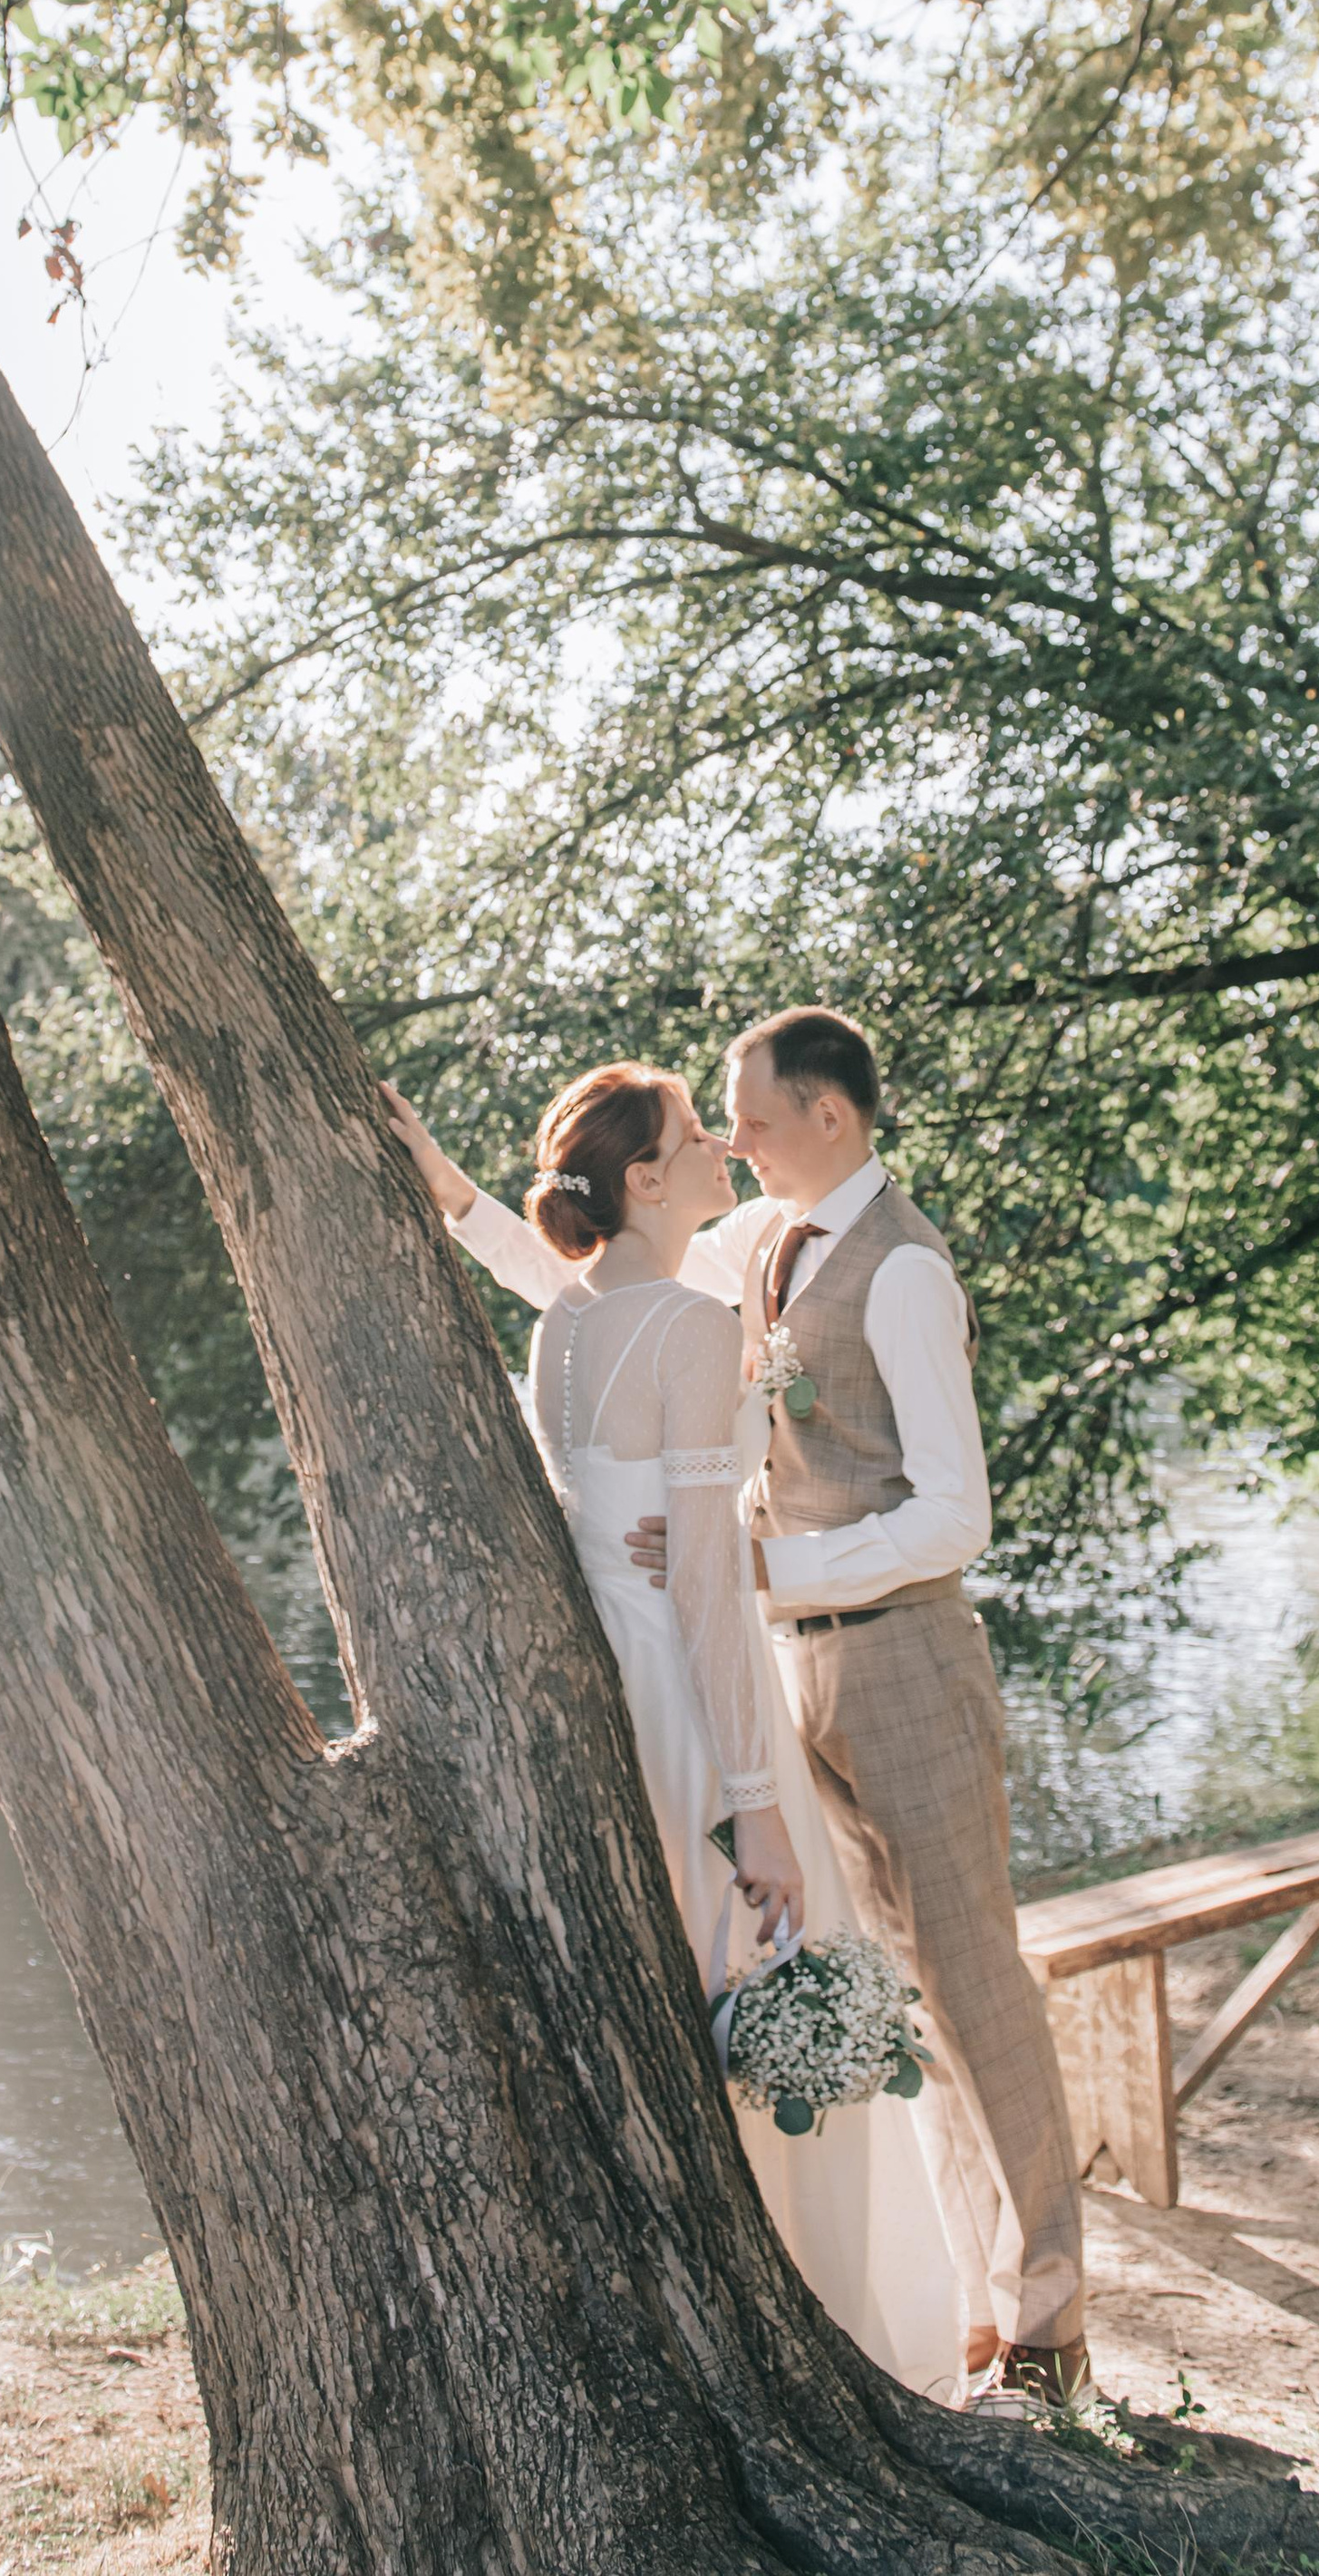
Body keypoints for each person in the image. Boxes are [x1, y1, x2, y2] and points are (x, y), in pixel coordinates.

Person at [383, 1008, 1087, 2406]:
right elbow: (591, 1285)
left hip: (895, 1655)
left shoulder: (902, 1274)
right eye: (711, 1124)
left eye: (749, 1116)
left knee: (970, 1980)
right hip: (767, 1662)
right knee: (862, 1981)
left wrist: (762, 1559)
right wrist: (456, 1197)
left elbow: (955, 1515)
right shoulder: (754, 1246)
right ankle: (958, 2296)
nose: (732, 1137)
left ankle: (1052, 2321)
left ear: (828, 1113)